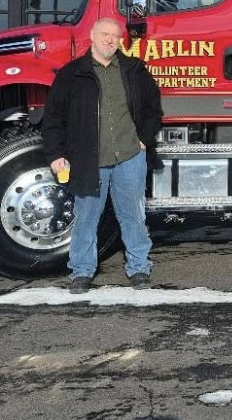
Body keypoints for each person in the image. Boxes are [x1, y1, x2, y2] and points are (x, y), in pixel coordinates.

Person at [42, 17, 164, 294]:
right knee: (87, 216)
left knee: (133, 215)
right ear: (93, 36)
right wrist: (56, 154)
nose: (110, 40)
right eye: (105, 34)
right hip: (88, 159)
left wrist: (144, 139)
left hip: (130, 156)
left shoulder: (134, 70)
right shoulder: (71, 74)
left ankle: (139, 268)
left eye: (115, 36)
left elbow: (153, 109)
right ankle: (81, 271)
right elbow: (53, 119)